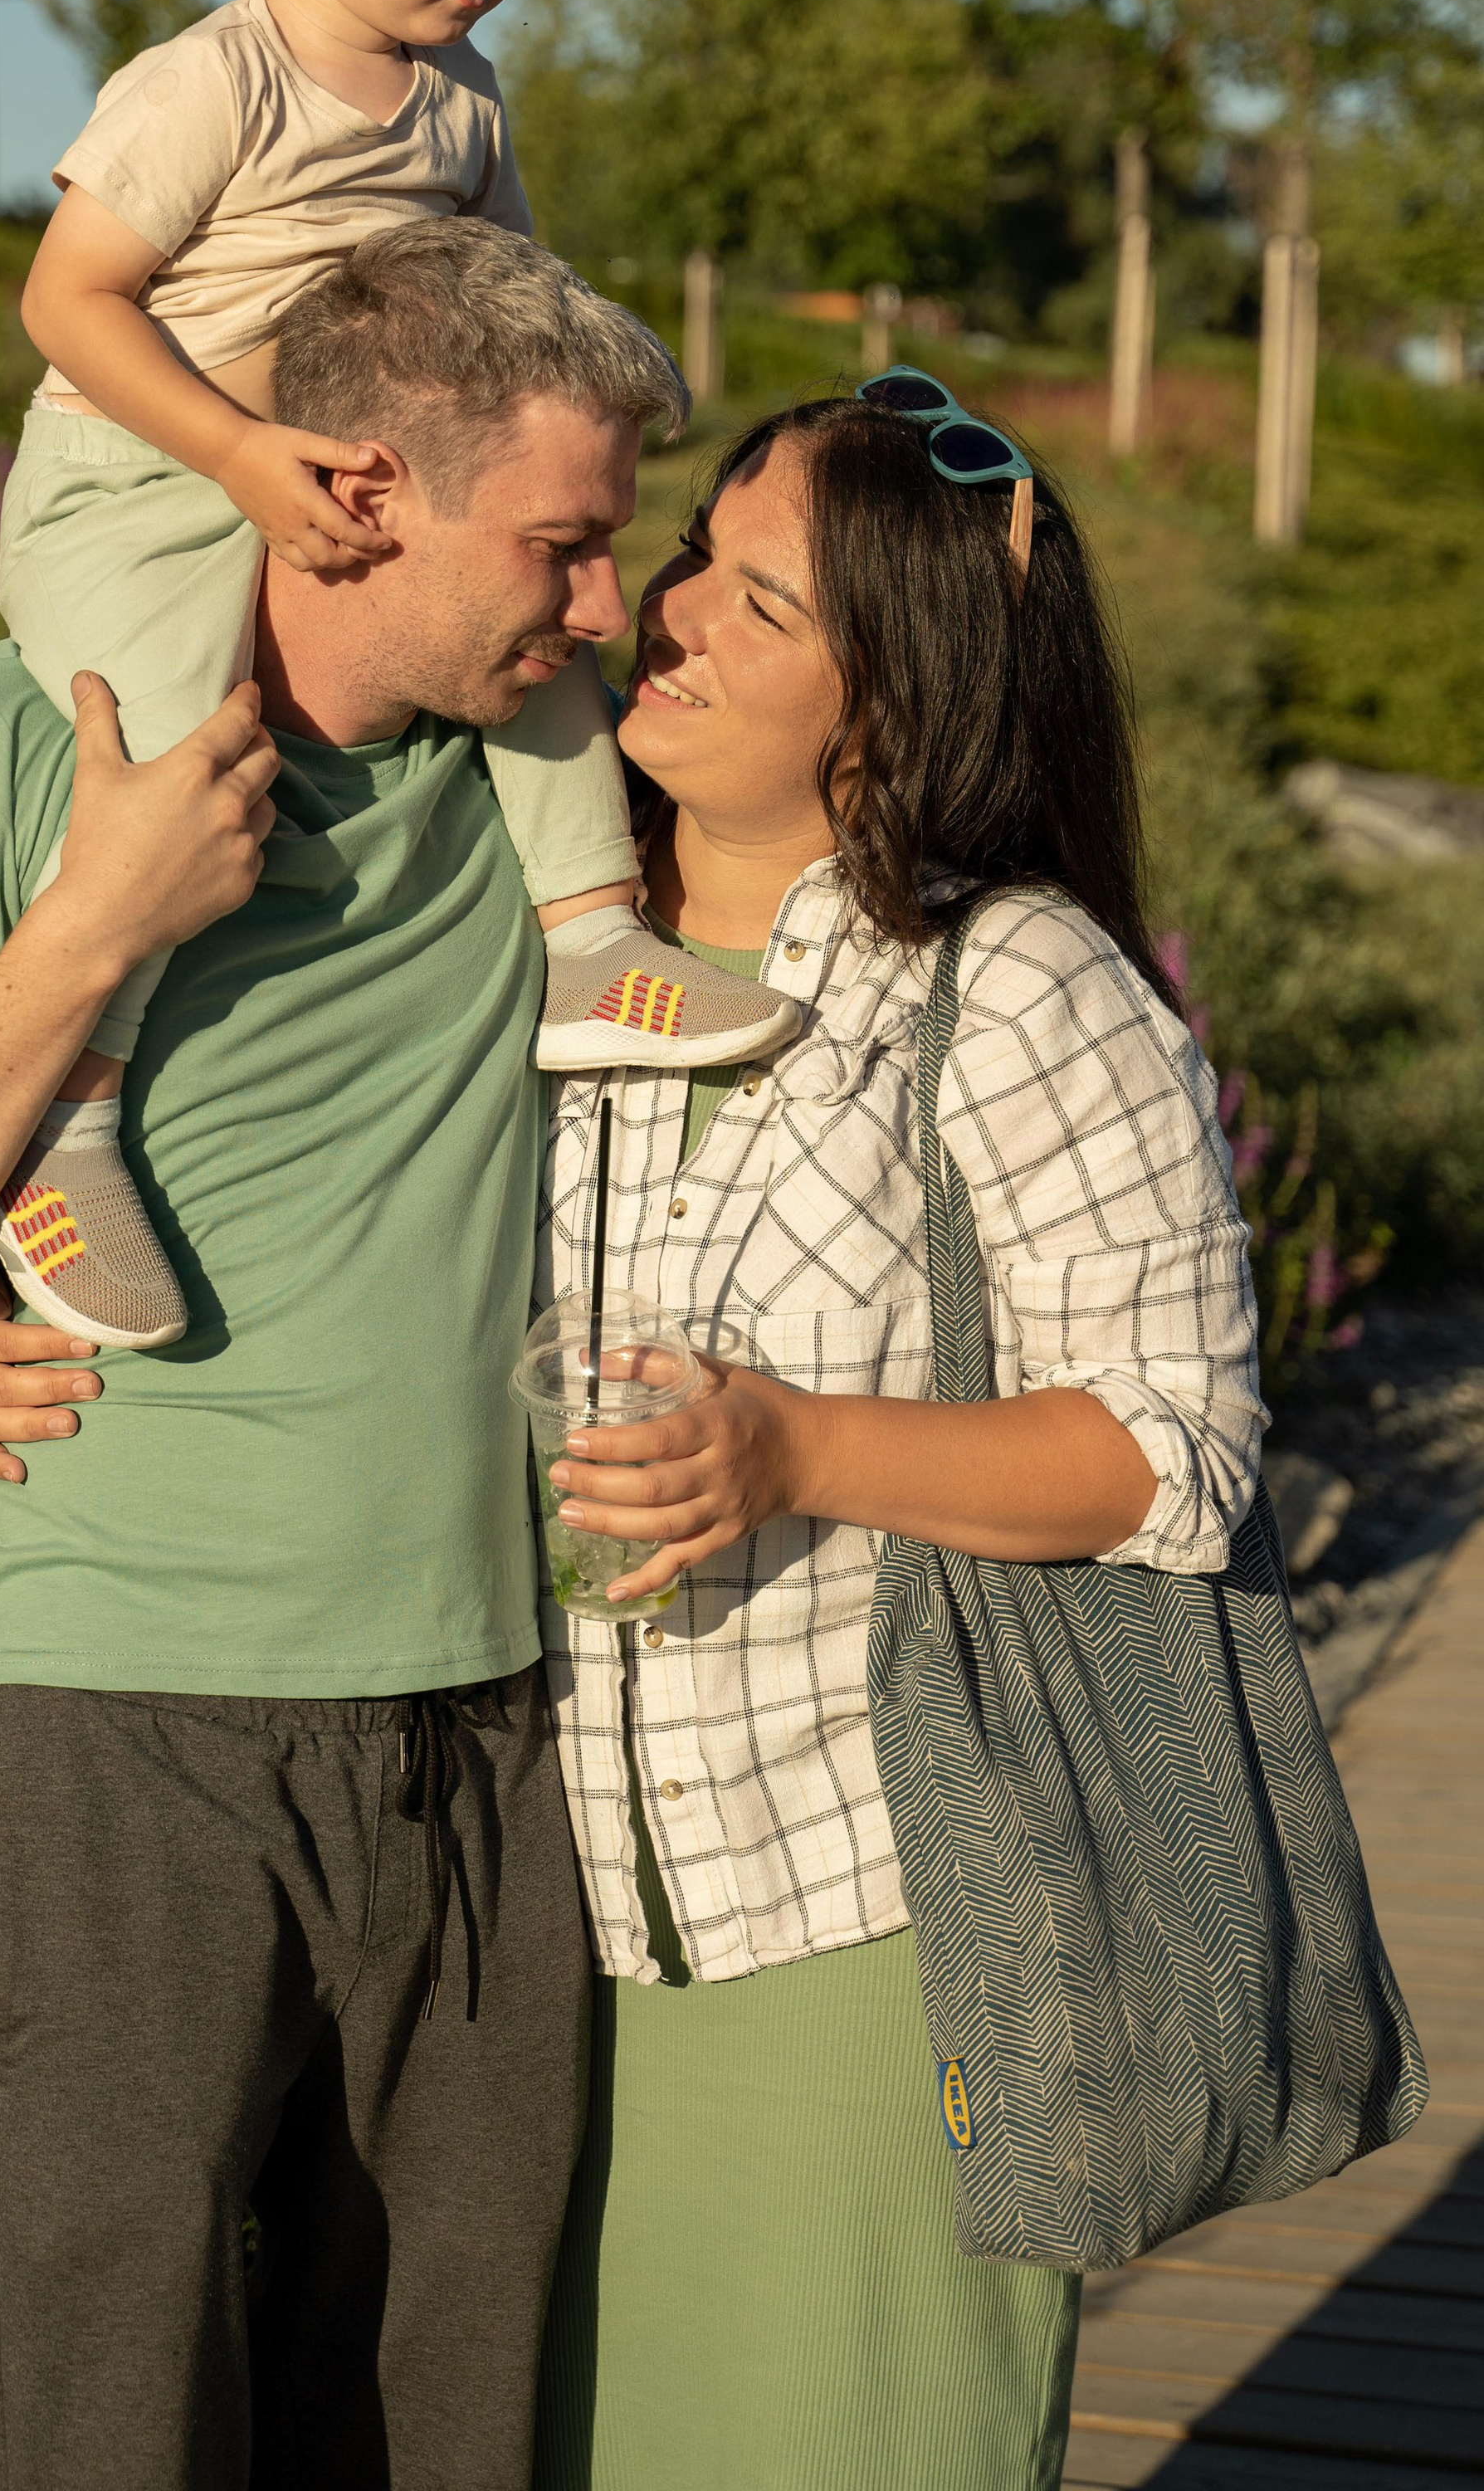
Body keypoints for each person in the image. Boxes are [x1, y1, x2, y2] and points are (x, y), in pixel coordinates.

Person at [0, 220, 684, 2491]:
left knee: (445, 2434)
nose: (593, 610)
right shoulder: (0, 747)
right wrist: (88, 934)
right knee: (115, 2426)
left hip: (485, 1729)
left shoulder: (546, 792)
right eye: (558, 546)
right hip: (124, 1729)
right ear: (356, 491)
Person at [523, 391, 1267, 2491]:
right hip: (512, 1933)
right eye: (692, 554)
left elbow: (1168, 1449)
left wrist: (790, 1449)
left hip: (858, 1925)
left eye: (758, 604)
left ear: (888, 705)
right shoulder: (524, 940)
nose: (666, 615)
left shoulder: (1009, 983)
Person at [0, 0, 790, 1355]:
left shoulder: (461, 106)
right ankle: (69, 1116)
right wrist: (232, 452)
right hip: (140, 479)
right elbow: (65, 302)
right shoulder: (212, 86)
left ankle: (585, 941)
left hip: (339, 481)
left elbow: (508, 327)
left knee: (545, 615)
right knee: (177, 750)